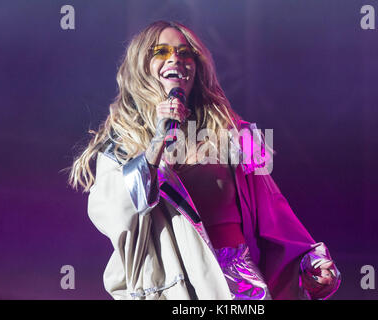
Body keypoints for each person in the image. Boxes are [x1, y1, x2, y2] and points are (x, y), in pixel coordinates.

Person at [69, 20, 341, 300]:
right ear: (141, 66)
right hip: (174, 289)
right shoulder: (122, 145)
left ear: (197, 67)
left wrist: (310, 261)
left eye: (185, 53)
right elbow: (111, 212)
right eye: (161, 51)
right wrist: (155, 147)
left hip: (239, 287)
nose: (175, 58)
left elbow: (274, 209)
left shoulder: (235, 136)